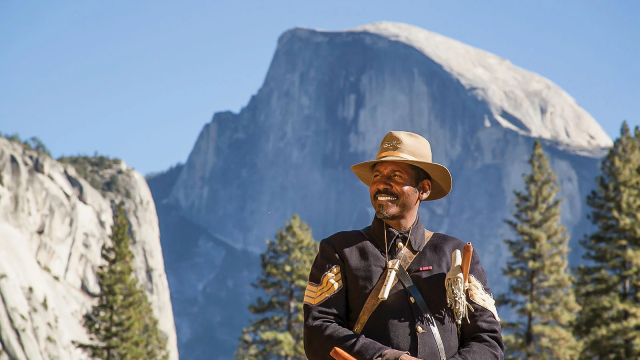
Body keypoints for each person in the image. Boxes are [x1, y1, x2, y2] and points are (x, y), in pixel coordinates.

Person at [303, 131, 504, 360]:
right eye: (377, 175)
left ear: (424, 189)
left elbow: (488, 341)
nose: (381, 184)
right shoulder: (340, 250)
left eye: (396, 176)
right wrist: (388, 357)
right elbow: (317, 331)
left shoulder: (454, 254)